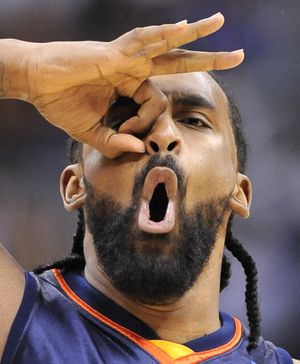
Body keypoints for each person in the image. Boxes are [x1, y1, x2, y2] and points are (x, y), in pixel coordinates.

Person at [0, 13, 298, 364]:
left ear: (240, 192)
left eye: (193, 121)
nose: (162, 135)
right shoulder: (15, 323)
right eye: (127, 120)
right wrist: (26, 71)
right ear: (74, 185)